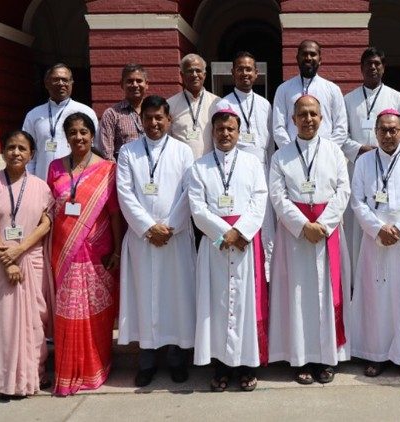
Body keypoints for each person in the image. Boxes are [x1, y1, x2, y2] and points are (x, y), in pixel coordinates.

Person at [268, 95, 351, 385]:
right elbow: (277, 196)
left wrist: (323, 225)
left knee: (326, 296)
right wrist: (304, 225)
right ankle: (300, 358)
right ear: (292, 120)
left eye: (313, 113)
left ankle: (326, 357)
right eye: (302, 114)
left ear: (321, 118)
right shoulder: (281, 156)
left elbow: (344, 191)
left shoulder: (334, 152)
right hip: (295, 237)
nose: (308, 119)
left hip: (326, 233)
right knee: (298, 296)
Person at [116, 95, 197, 387]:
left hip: (174, 240)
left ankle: (176, 358)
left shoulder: (183, 151)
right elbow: (124, 194)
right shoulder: (128, 153)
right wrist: (149, 228)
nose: (153, 123)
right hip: (142, 241)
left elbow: (190, 192)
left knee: (175, 298)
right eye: (148, 118)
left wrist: (170, 227)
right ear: (141, 120)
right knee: (145, 298)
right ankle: (147, 361)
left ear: (169, 119)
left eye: (159, 117)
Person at [189, 109, 269, 393]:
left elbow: (260, 199)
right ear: (213, 132)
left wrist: (241, 231)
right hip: (215, 245)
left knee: (245, 305)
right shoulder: (199, 167)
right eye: (220, 129)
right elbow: (197, 207)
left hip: (245, 243)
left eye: (231, 129)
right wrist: (224, 233)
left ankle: (247, 366)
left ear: (238, 132)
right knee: (217, 305)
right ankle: (221, 366)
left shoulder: (252, 163)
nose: (225, 134)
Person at [349, 109, 400, 380]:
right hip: (375, 241)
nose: (387, 135)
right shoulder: (363, 162)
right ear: (375, 131)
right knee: (376, 298)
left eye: (393, 130)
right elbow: (357, 201)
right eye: (383, 129)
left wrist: (399, 229)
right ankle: (376, 354)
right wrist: (376, 229)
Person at [46, 112, 122, 396]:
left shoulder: (107, 168)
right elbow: (49, 207)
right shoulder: (55, 167)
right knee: (67, 311)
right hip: (63, 250)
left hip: (97, 251)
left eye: (83, 132)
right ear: (66, 137)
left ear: (92, 135)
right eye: (73, 133)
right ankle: (68, 373)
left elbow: (114, 213)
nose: (78, 137)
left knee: (95, 313)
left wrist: (116, 249)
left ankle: (96, 367)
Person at [0, 130, 53, 397]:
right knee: (2, 321)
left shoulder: (41, 187)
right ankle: (1, 380)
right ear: (3, 152)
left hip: (30, 258)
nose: (16, 153)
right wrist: (6, 259)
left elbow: (46, 223)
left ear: (32, 154)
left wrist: (20, 249)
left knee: (35, 320)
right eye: (11, 147)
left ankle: (34, 374)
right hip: (0, 261)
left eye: (22, 148)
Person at [343, 47, 400, 271]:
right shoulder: (349, 99)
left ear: (383, 68)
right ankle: (358, 276)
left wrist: (385, 152)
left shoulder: (397, 97)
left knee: (389, 216)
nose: (373, 68)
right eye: (368, 64)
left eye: (377, 64)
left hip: (391, 170)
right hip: (359, 170)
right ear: (361, 68)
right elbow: (341, 136)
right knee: (358, 224)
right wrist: (362, 150)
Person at [215, 51, 275, 277]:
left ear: (256, 73)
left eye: (249, 69)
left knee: (265, 224)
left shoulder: (264, 104)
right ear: (232, 73)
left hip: (261, 170)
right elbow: (218, 140)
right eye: (240, 69)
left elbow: (269, 146)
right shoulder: (224, 104)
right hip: (234, 174)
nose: (245, 73)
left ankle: (264, 273)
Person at [22, 63, 99, 180]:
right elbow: (28, 151)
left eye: (65, 80)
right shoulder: (34, 115)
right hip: (42, 179)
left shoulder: (85, 112)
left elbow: (95, 148)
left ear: (71, 83)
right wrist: (29, 179)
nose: (61, 83)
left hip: (77, 180)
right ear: (46, 83)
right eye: (56, 80)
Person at [272, 40, 348, 149]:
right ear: (297, 59)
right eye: (304, 54)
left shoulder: (333, 89)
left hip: (325, 156)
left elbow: (341, 128)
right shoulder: (283, 89)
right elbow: (278, 127)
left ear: (320, 60)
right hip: (291, 157)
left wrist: (326, 151)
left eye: (313, 54)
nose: (308, 58)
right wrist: (290, 150)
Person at [168, 53, 221, 159]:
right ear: (182, 75)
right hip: (181, 168)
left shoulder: (217, 103)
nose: (194, 74)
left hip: (209, 167)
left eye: (198, 70)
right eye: (190, 71)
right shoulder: (170, 104)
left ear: (204, 75)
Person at [99, 64, 149, 160]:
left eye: (139, 81)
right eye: (130, 81)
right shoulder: (112, 114)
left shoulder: (154, 112)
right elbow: (107, 154)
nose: (135, 85)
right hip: (124, 171)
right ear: (121, 84)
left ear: (147, 84)